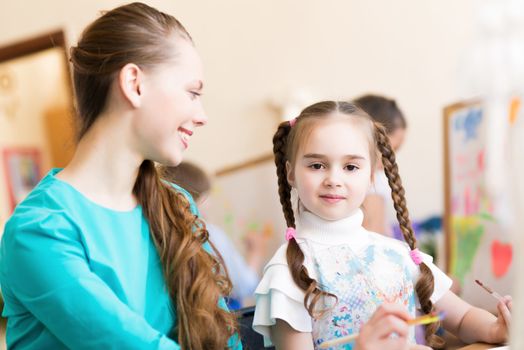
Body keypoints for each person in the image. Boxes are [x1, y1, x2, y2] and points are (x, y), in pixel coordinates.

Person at [0, 3, 240, 349]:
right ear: (133, 84)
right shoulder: (37, 230)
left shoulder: (179, 206)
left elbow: (223, 336)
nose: (201, 115)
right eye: (192, 92)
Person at [252, 101, 512, 349]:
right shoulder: (288, 271)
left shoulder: (397, 254)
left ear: (371, 175)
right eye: (317, 165)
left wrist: (496, 328)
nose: (334, 179)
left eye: (351, 166)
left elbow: (463, 317)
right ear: (290, 173)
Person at [159, 162, 267, 308]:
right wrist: (256, 252)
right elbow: (244, 286)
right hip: (224, 317)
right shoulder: (208, 233)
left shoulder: (160, 234)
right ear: (193, 199)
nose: (210, 204)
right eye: (207, 196)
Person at [354, 94, 407, 237]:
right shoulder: (372, 181)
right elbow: (373, 232)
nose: (392, 158)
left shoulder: (376, 177)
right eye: (392, 148)